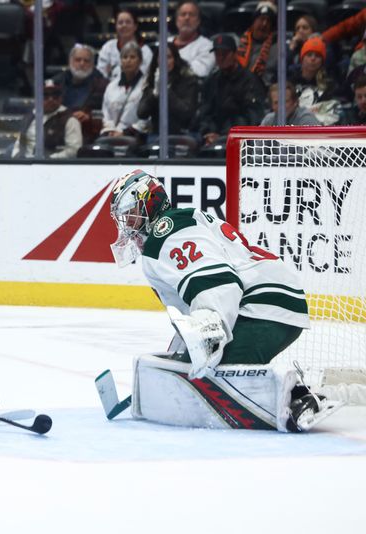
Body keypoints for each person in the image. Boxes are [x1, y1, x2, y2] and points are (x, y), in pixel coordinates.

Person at [107, 169, 336, 432]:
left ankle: (299, 398)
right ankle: (292, 391)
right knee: (199, 370)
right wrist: (180, 358)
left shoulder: (166, 232)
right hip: (267, 303)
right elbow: (195, 304)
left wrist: (207, 342)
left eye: (130, 211)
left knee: (215, 379)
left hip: (262, 306)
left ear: (149, 200)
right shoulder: (168, 232)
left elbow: (219, 282)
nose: (127, 222)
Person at [198, 34, 266, 147]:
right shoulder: (211, 81)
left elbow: (253, 116)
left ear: (234, 54)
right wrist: (208, 132)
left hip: (241, 139)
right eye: (217, 54)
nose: (220, 58)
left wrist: (227, 134)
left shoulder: (250, 80)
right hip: (212, 138)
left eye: (224, 54)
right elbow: (205, 112)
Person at [137, 42, 199, 137]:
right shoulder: (152, 80)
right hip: (157, 134)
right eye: (161, 57)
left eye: (169, 57)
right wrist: (154, 94)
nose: (164, 61)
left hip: (182, 134)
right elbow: (141, 113)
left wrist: (166, 91)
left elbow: (187, 112)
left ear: (175, 59)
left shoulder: (188, 80)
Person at [12, 79, 83, 158]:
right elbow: (19, 142)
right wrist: (16, 156)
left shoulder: (70, 120)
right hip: (25, 162)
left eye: (55, 95)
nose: (51, 99)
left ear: (61, 97)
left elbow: (74, 150)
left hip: (53, 165)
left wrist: (49, 159)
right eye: (45, 95)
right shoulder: (30, 116)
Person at [52, 43, 108, 140]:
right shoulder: (57, 82)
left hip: (88, 133)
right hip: (59, 130)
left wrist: (89, 117)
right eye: (78, 60)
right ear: (70, 61)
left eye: (86, 61)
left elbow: (105, 115)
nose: (82, 64)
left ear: (92, 64)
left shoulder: (102, 85)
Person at [100, 42, 149, 141]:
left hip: (136, 136)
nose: (128, 61)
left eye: (132, 57)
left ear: (140, 61)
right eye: (125, 57)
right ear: (120, 61)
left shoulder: (147, 85)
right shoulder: (111, 86)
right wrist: (111, 130)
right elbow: (106, 114)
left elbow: (146, 120)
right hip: (112, 134)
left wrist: (125, 132)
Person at [289, 37, 341, 125]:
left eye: (317, 56)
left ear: (322, 61)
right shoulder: (291, 83)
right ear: (302, 59)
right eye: (309, 55)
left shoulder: (330, 84)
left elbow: (331, 110)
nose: (313, 59)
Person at [96, 9, 153, 80]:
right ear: (116, 27)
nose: (124, 25)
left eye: (128, 22)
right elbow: (101, 73)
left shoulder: (145, 51)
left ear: (135, 26)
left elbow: (143, 75)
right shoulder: (108, 47)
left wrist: (113, 70)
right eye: (120, 23)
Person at [236, 1, 277, 88]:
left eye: (268, 21)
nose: (264, 24)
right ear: (254, 21)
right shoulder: (238, 43)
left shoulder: (276, 49)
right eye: (261, 19)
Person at [169, 1, 214, 78]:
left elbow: (201, 72)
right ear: (176, 20)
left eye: (192, 15)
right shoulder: (165, 42)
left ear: (198, 21)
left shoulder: (207, 46)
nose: (187, 18)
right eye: (183, 14)